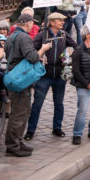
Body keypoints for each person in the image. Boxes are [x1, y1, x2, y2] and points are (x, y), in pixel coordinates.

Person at [4, 14, 53, 157]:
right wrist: (43, 49)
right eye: (32, 23)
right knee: (19, 114)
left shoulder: (11, 36)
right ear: (26, 23)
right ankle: (13, 146)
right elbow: (31, 57)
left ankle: (17, 142)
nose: (33, 25)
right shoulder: (24, 37)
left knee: (20, 112)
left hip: (14, 76)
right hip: (21, 79)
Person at [26, 12, 76, 140]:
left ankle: (57, 128)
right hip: (44, 76)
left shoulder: (64, 35)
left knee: (59, 103)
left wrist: (70, 52)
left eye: (63, 21)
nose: (63, 22)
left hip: (59, 75)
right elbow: (31, 50)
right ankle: (31, 130)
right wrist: (40, 54)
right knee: (37, 103)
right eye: (60, 20)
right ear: (52, 22)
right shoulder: (42, 35)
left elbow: (76, 47)